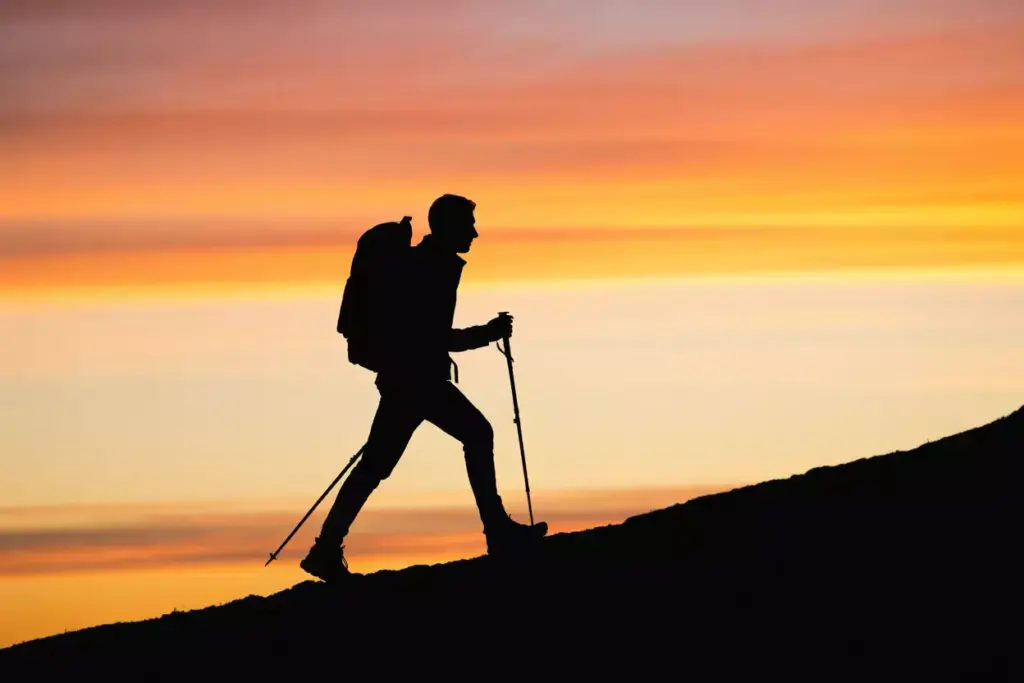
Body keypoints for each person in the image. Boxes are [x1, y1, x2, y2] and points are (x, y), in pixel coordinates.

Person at [300, 194, 548, 582]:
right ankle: (498, 532)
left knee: (375, 467)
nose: (475, 233)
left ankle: (325, 549)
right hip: (417, 381)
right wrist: (488, 334)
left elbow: (425, 334)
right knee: (476, 433)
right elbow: (433, 336)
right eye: (468, 225)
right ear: (448, 226)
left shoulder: (427, 264)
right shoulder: (430, 268)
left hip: (406, 380)